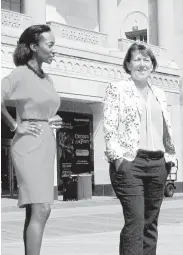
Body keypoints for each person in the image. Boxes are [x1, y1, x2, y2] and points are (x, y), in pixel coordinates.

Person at [103, 42, 176, 255]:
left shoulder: (160, 93)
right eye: (137, 59)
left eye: (146, 60)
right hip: (130, 163)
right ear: (127, 64)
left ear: (153, 65)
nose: (142, 64)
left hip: (157, 163)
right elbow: (109, 126)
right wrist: (118, 159)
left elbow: (165, 128)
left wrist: (168, 158)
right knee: (135, 221)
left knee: (150, 222)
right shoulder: (117, 89)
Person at [1, 24, 62, 255]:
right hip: (27, 146)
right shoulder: (19, 74)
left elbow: (44, 107)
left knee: (39, 209)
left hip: (46, 144)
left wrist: (51, 119)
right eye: (50, 44)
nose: (54, 49)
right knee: (41, 208)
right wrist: (15, 124)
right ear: (34, 47)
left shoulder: (48, 79)